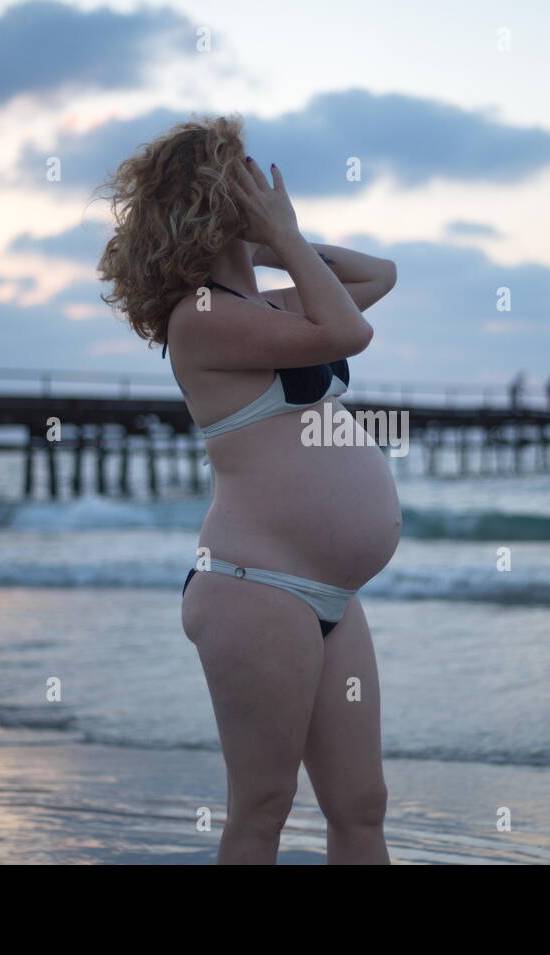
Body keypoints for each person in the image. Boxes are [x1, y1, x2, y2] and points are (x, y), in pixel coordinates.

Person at [97, 115, 401, 864]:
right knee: (262, 810)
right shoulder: (199, 320)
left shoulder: (263, 305)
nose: (261, 182)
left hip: (330, 594)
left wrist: (269, 241)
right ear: (211, 196)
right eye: (242, 174)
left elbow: (378, 276)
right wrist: (284, 242)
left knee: (361, 806)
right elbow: (349, 331)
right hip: (256, 588)